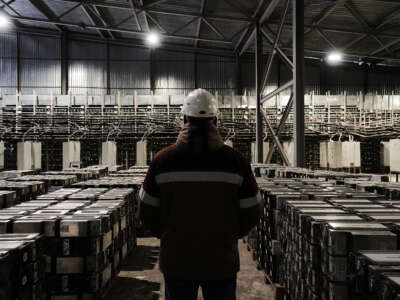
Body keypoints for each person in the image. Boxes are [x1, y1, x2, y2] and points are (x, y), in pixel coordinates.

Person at [139, 88, 261, 300]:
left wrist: (168, 234)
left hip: (177, 260)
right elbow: (252, 210)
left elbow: (146, 210)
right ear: (216, 120)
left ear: (184, 118)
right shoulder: (235, 161)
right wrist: (230, 234)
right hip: (221, 260)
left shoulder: (163, 160)